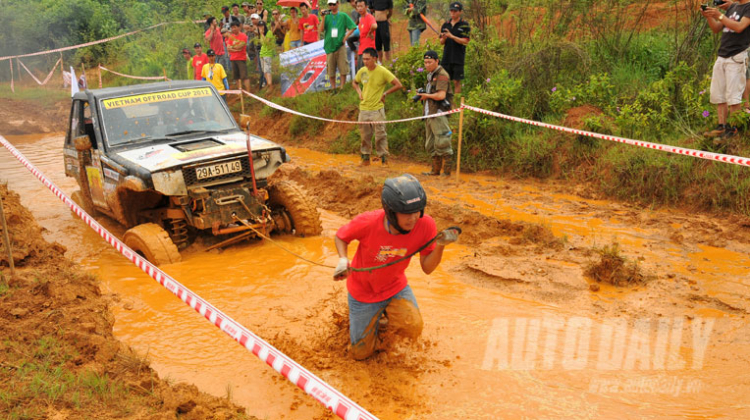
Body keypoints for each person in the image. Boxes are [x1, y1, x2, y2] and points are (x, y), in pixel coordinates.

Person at [333, 174, 460, 360]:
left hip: (394, 288)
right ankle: (374, 322)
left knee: (413, 327)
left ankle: (383, 321)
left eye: (418, 211)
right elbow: (341, 236)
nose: (414, 218)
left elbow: (427, 268)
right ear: (391, 212)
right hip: (363, 293)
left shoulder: (426, 225)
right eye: (407, 213)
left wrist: (441, 245)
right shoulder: (368, 222)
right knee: (360, 354)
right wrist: (343, 260)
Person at [702, 1, 750, 139]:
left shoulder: (748, 7)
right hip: (722, 54)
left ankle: (733, 128)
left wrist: (719, 16)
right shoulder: (733, 7)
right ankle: (721, 126)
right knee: (719, 94)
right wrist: (709, 16)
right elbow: (717, 28)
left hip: (737, 55)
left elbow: (740, 27)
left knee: (734, 95)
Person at [352, 48, 402, 166]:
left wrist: (385, 93)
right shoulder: (362, 71)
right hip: (364, 109)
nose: (365, 61)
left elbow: (398, 84)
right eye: (363, 59)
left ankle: (384, 159)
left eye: (367, 59)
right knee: (365, 135)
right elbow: (355, 82)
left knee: (380, 134)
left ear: (375, 58)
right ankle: (365, 159)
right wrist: (359, 92)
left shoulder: (383, 71)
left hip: (377, 109)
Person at [416, 50, 454, 176]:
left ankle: (447, 171)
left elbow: (441, 95)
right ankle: (435, 170)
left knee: (443, 141)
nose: (427, 65)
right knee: (430, 143)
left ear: (437, 61)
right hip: (429, 112)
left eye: (430, 62)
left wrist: (425, 95)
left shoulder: (442, 74)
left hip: (438, 112)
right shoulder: (430, 75)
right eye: (425, 62)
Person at [319, 0, 357, 91]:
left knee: (342, 67)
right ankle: (333, 88)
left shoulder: (343, 16)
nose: (332, 6)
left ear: (338, 4)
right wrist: (323, 18)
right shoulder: (327, 16)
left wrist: (345, 37)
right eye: (330, 4)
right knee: (331, 68)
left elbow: (353, 27)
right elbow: (321, 29)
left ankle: (342, 87)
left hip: (340, 45)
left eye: (333, 4)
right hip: (329, 45)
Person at [439, 1, 470, 94]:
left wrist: (452, 36)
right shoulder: (445, 25)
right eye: (451, 11)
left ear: (460, 12)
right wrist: (444, 38)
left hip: (458, 58)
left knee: (456, 81)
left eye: (455, 11)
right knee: (444, 81)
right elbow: (441, 42)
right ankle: (446, 102)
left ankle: (456, 104)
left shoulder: (464, 25)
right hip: (446, 57)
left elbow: (466, 41)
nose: (452, 13)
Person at [227, 21, 250, 92]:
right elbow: (228, 47)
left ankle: (248, 92)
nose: (233, 29)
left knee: (244, 76)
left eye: (234, 27)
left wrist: (233, 48)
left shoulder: (243, 36)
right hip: (233, 59)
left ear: (239, 27)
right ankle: (240, 92)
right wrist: (235, 48)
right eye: (232, 28)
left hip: (241, 59)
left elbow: (240, 47)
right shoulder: (231, 37)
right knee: (236, 77)